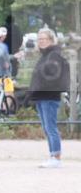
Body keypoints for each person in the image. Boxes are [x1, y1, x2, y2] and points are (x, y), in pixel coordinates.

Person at [28, 28, 70, 168]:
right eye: (39, 39)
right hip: (41, 95)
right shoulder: (45, 55)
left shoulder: (54, 55)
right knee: (47, 128)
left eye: (44, 39)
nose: (41, 41)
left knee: (51, 127)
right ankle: (52, 155)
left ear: (51, 40)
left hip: (49, 95)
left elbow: (53, 75)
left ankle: (56, 157)